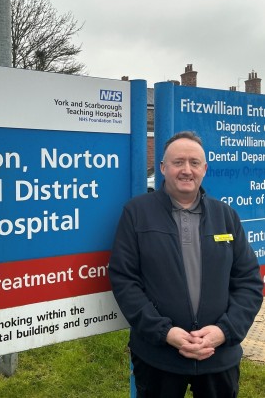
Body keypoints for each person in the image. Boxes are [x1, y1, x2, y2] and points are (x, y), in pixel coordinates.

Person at [109, 131, 263, 398]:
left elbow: (249, 281)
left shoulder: (226, 216)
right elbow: (124, 280)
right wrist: (165, 332)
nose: (186, 170)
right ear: (163, 168)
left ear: (205, 169)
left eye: (194, 162)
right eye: (178, 162)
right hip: (159, 357)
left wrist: (224, 331)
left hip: (218, 355)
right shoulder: (137, 213)